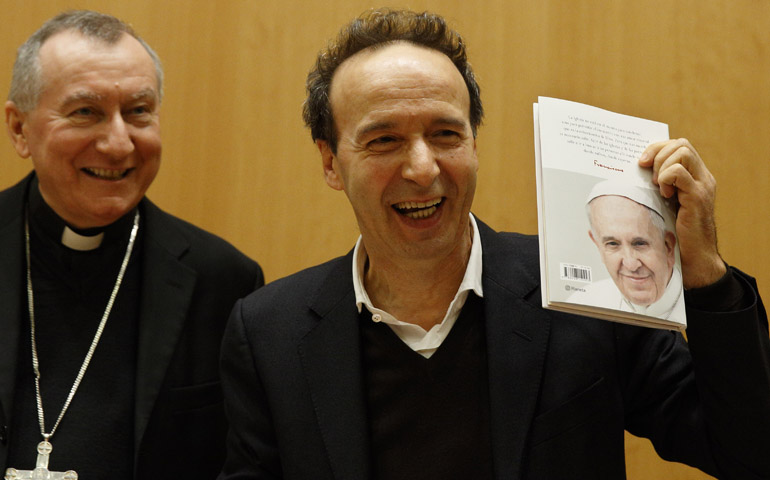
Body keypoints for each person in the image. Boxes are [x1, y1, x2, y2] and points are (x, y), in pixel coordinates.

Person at [218, 8, 770, 480]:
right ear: (330, 162)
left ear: (474, 143)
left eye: (445, 134)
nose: (422, 167)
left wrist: (705, 273)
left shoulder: (588, 293)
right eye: (384, 139)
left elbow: (748, 452)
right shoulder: (269, 333)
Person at [0, 10, 263, 480]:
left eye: (139, 111)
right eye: (86, 112)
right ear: (19, 129)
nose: (120, 144)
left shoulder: (224, 281)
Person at [571, 180, 685, 321]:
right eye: (612, 244)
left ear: (668, 247)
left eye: (639, 243)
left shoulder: (699, 305)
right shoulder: (582, 302)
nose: (631, 265)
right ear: (597, 245)